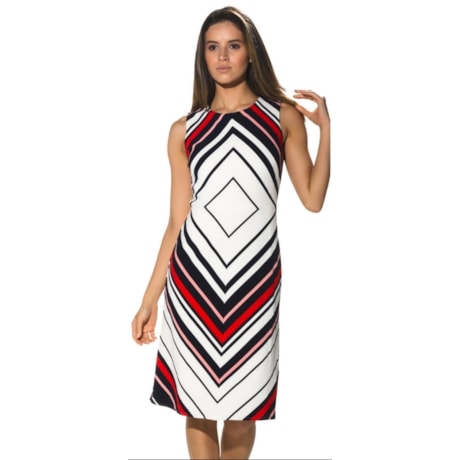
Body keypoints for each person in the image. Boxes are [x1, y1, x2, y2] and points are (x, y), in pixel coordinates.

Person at [131, 5, 330, 459]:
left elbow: (313, 199)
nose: (222, 56)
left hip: (255, 283)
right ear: (202, 56)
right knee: (197, 405)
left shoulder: (281, 116)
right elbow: (176, 223)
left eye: (233, 46)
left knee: (245, 407)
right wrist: (149, 300)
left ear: (250, 53)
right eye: (213, 47)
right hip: (193, 282)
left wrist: (327, 131)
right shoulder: (184, 130)